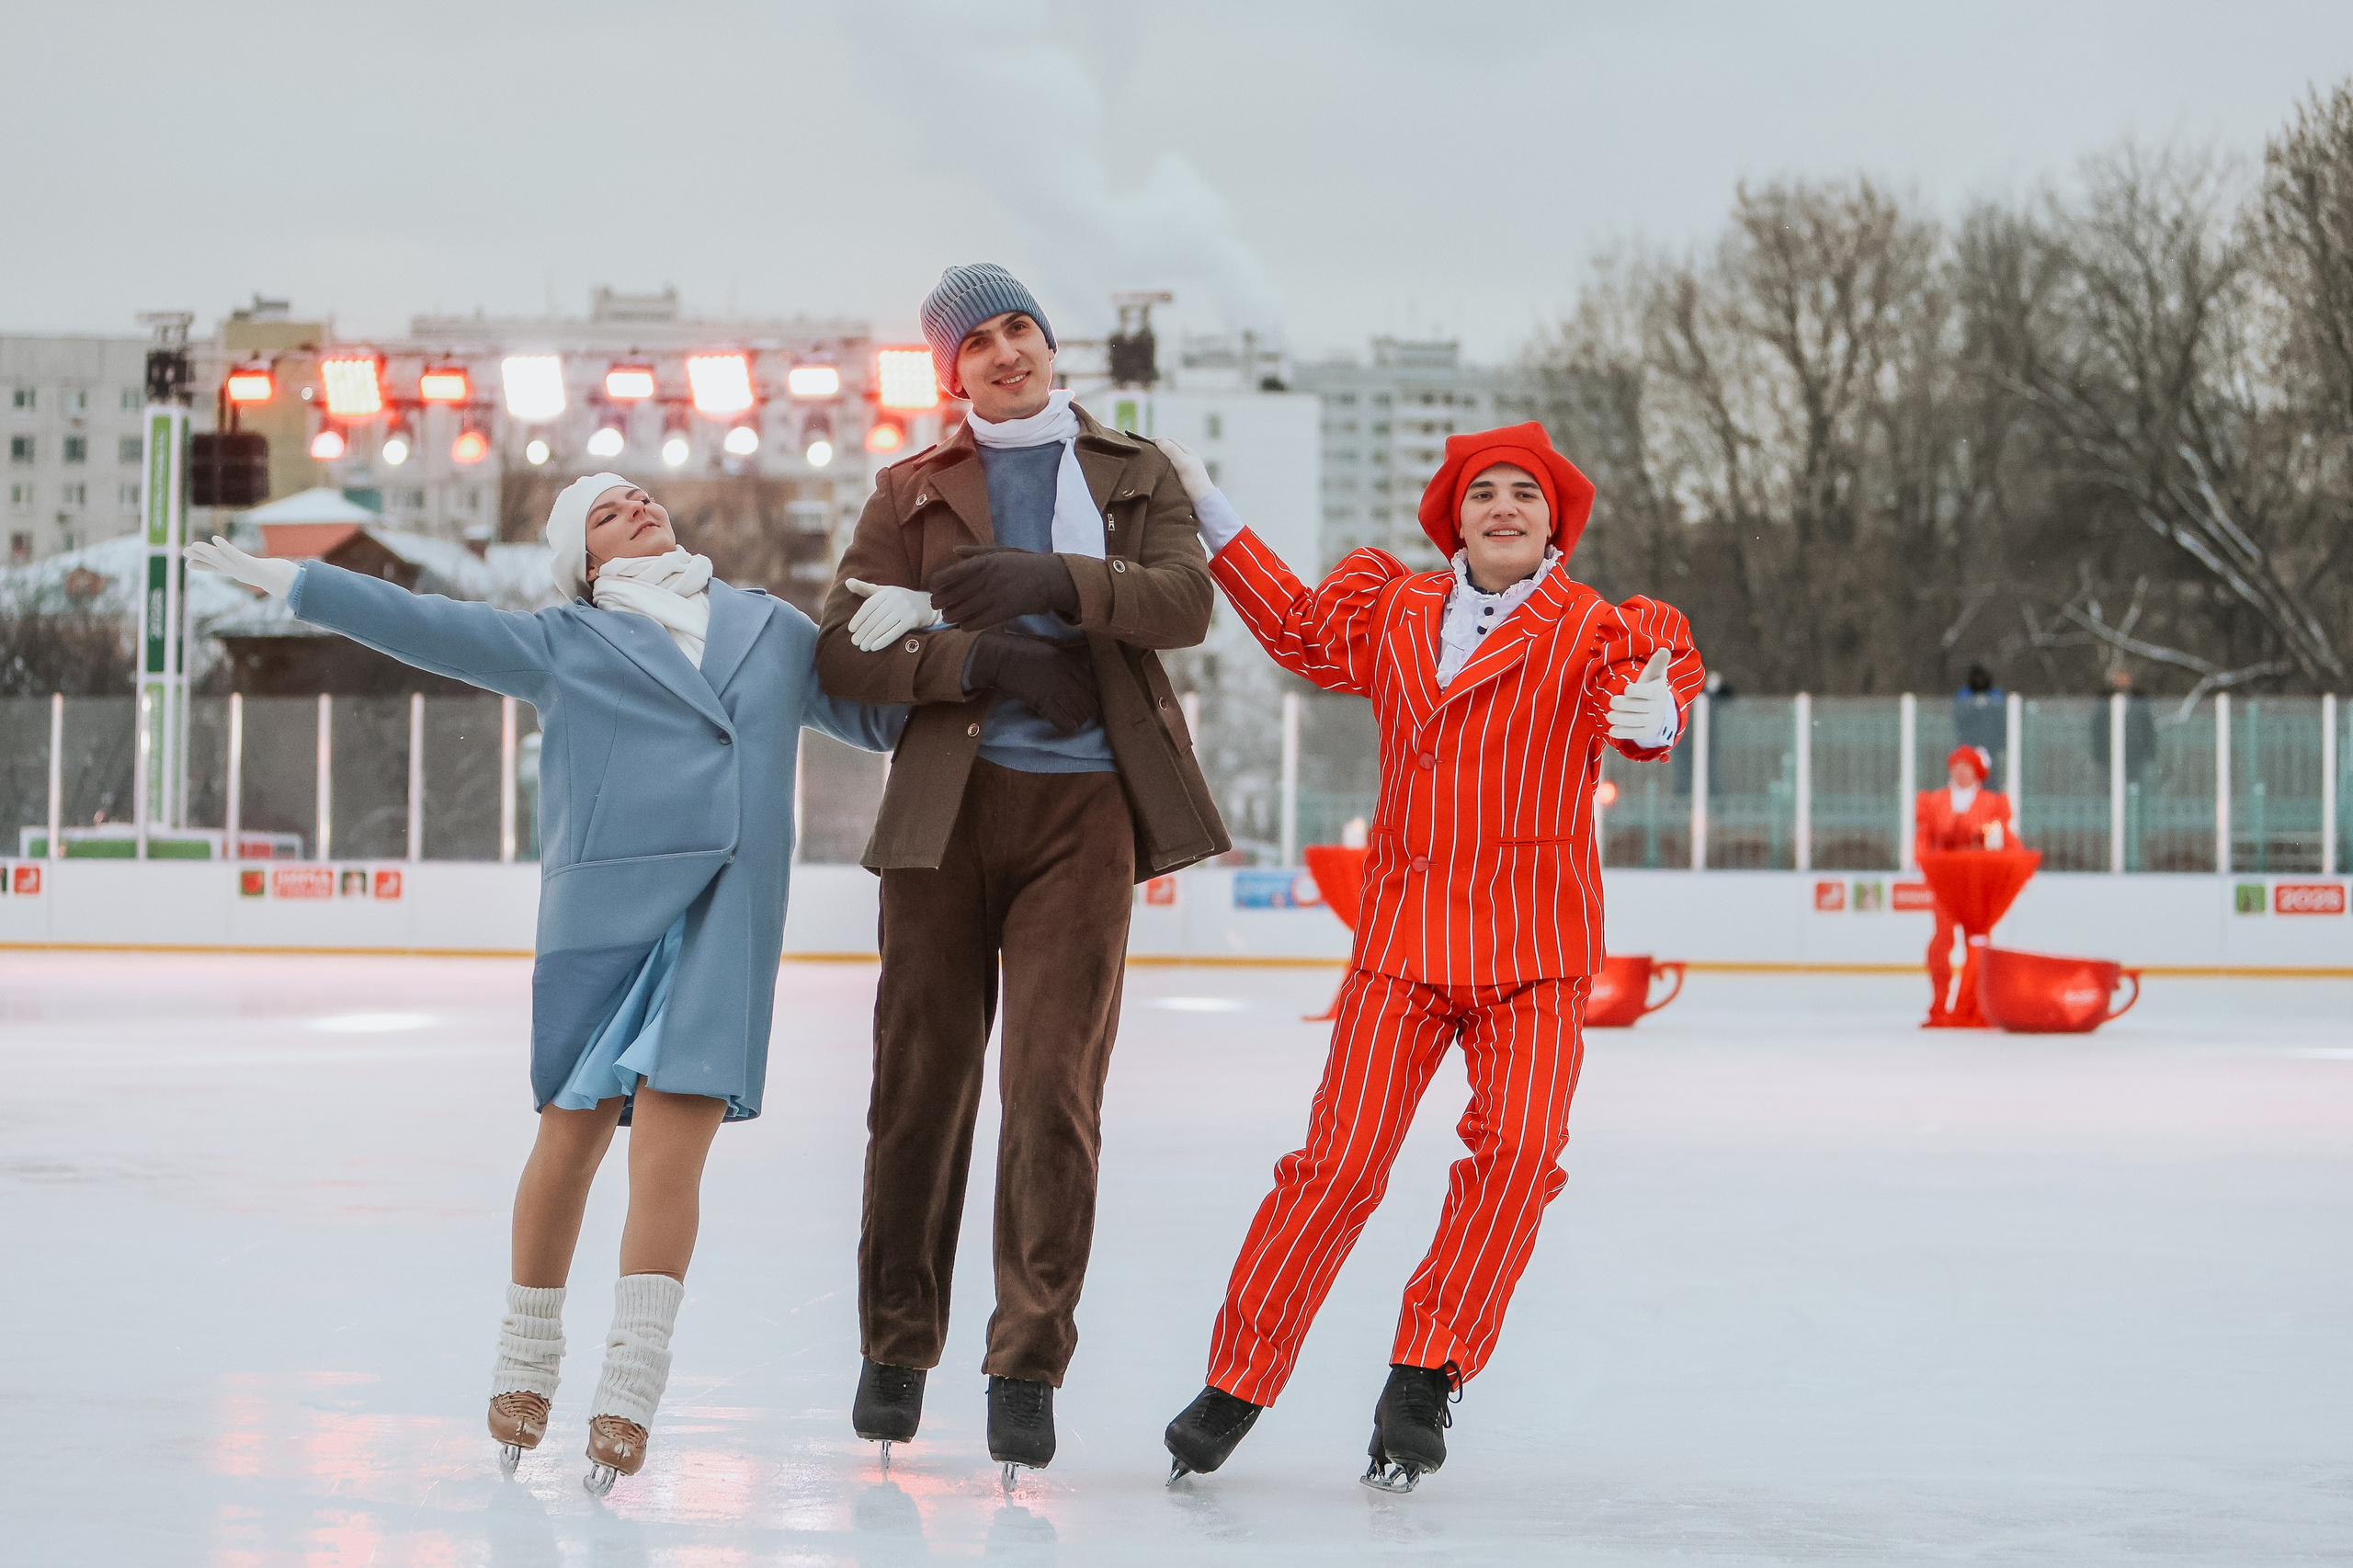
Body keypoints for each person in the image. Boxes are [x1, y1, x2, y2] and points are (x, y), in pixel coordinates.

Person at [188, 475, 904, 1492]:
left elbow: (877, 724)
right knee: (569, 1140)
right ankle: (525, 1360)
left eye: (643, 498)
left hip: (726, 918)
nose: (639, 509)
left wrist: (919, 626)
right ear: (586, 560)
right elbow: (426, 624)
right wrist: (301, 583)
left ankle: (630, 1385)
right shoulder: (564, 640)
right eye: (608, 513)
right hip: (609, 917)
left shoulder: (772, 628)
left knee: (670, 1152)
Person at [1151, 422, 1703, 1493]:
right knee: (1338, 1166)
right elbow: (1299, 629)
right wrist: (1207, 501)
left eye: (1525, 496)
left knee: (1519, 1152)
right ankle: (1238, 1375)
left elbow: (1642, 705)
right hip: (1403, 943)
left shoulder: (1592, 630)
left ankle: (1424, 1370)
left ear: (1554, 523)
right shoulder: (1396, 611)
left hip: (1534, 951)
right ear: (1453, 515)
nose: (1504, 507)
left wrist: (1660, 707)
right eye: (1484, 492)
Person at [814, 264, 1229, 1482]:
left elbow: (1184, 601)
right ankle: (896, 1345)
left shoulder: (1135, 471)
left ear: (1051, 344)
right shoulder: (911, 489)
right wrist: (977, 661)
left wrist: (1057, 584)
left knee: (1054, 1091)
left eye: (1021, 330)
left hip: (1087, 817)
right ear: (954, 373)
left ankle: (1026, 1361)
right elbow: (845, 650)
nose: (1006, 353)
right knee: (920, 1088)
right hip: (945, 814)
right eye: (979, 342)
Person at [1915, 743, 2015, 1024]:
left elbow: (2003, 839)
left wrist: (2015, 870)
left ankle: (1974, 1003)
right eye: (1956, 766)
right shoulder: (1934, 801)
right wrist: (1925, 864)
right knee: (1941, 942)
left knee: (1977, 941)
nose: (1960, 772)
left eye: (1966, 767)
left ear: (1977, 772)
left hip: (1976, 881)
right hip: (1946, 881)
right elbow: (1924, 838)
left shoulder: (1992, 804)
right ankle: (1939, 1002)